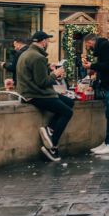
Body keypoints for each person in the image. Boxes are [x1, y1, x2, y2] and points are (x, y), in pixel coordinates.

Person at [17, 31, 74, 162]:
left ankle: (51, 129)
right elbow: (42, 82)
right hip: (36, 94)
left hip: (29, 91)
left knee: (69, 102)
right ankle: (52, 146)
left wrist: (48, 67)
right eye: (47, 41)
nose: (48, 43)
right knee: (67, 112)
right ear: (43, 42)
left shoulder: (27, 53)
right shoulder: (38, 57)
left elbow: (33, 72)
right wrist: (56, 74)